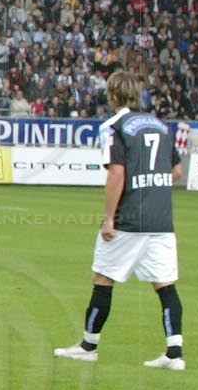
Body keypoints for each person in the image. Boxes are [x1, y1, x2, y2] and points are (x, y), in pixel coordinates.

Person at [53, 68, 187, 370]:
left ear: (112, 95)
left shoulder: (114, 126)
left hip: (130, 218)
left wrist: (109, 219)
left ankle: (89, 346)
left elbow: (116, 173)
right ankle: (174, 353)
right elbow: (177, 171)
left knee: (103, 278)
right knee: (165, 284)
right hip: (161, 219)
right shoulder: (160, 126)